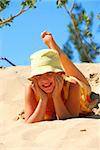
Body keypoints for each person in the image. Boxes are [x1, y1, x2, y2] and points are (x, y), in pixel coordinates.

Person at [24, 31, 96, 123]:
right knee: (58, 67)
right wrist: (43, 99)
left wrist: (56, 97)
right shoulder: (31, 89)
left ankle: (57, 52)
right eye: (38, 75)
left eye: (49, 73)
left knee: (85, 86)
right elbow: (29, 122)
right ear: (33, 78)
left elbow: (70, 119)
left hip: (81, 94)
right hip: (59, 79)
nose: (44, 80)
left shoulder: (73, 86)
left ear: (60, 75)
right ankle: (55, 56)